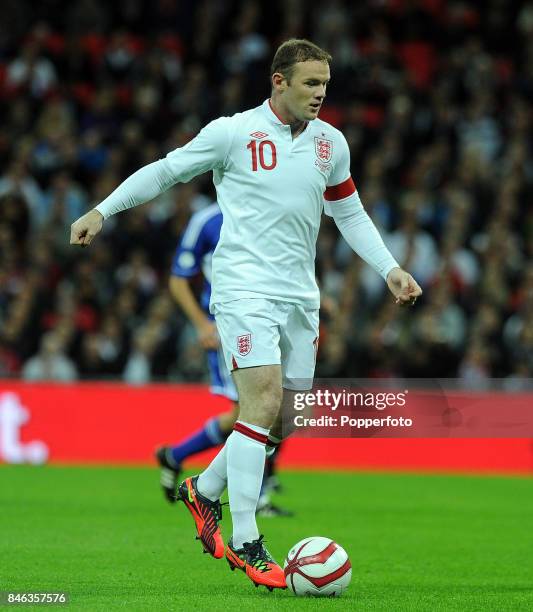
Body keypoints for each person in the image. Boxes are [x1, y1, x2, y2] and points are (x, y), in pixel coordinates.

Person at [70, 38, 422, 591]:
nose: (320, 95)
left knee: (287, 419)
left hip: (299, 296)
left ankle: (202, 490)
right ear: (279, 81)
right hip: (243, 289)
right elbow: (165, 172)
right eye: (310, 84)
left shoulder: (332, 144)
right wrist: (102, 210)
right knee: (260, 401)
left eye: (325, 86)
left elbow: (349, 212)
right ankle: (246, 538)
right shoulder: (232, 133)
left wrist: (390, 269)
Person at [156, 202, 291, 516]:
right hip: (226, 327)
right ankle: (255, 498)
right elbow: (178, 279)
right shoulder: (206, 220)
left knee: (258, 410)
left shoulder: (267, 211)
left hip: (264, 322)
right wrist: (202, 324)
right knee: (256, 410)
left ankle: (176, 456)